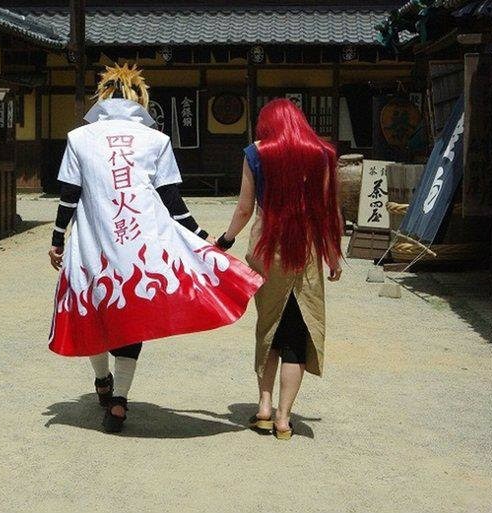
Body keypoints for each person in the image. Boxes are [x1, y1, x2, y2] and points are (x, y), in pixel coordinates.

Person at [48, 63, 263, 433]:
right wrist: (201, 238)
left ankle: (102, 380)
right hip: (141, 250)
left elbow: (70, 195)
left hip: (92, 246)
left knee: (94, 312)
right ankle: (119, 401)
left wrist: (56, 239)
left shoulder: (79, 138)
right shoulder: (155, 140)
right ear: (140, 100)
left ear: (102, 97)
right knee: (131, 317)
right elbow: (172, 201)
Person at [216, 98, 343, 440]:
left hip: (267, 250)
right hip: (305, 251)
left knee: (269, 325)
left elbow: (244, 209)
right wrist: (333, 256)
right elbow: (327, 212)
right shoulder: (321, 153)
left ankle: (263, 407)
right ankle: (284, 420)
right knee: (296, 335)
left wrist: (224, 240)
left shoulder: (255, 153)